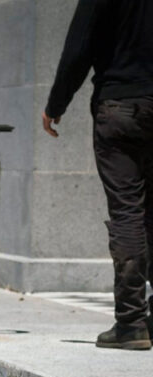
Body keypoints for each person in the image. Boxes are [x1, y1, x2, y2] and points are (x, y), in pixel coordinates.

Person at [44, 0, 153, 350]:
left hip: (120, 105)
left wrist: (56, 104)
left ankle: (131, 322)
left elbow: (79, 46)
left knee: (127, 212)